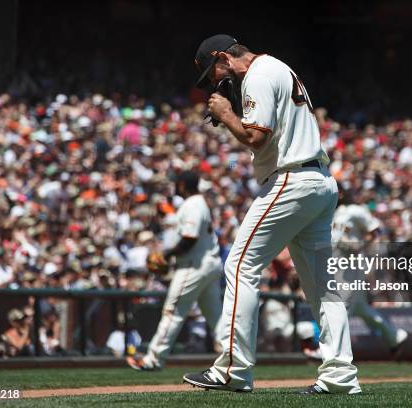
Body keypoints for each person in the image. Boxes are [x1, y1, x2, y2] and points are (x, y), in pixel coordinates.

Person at [183, 35, 360, 394]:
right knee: (321, 286)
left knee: (239, 265)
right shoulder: (277, 68)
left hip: (291, 179)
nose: (215, 83)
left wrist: (227, 113)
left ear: (223, 57)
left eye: (213, 74)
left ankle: (233, 369)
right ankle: (340, 376)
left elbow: (255, 137)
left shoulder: (259, 74)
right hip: (319, 181)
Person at [127, 171, 223, 370]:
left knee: (173, 311)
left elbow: (190, 238)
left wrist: (167, 255)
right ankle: (235, 357)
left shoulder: (193, 204)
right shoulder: (200, 202)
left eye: (176, 184)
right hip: (208, 264)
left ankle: (153, 359)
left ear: (181, 185)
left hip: (194, 265)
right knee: (217, 317)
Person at [332, 188, 408, 355]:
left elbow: (376, 231)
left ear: (341, 194)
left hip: (351, 265)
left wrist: (360, 245)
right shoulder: (333, 212)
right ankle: (394, 336)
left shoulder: (355, 210)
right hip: (337, 265)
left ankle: (333, 350)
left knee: (341, 306)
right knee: (360, 309)